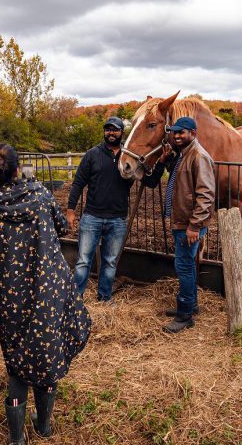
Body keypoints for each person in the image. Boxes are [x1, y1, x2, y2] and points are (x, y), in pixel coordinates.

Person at [0, 144, 91, 445]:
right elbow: (63, 227)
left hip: (13, 301)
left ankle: (16, 439)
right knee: (47, 355)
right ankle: (44, 426)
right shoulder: (41, 197)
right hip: (49, 293)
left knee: (17, 368)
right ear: (16, 170)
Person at [66, 116, 166, 302]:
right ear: (104, 132)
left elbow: (150, 182)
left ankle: (105, 297)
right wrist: (71, 210)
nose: (111, 132)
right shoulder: (92, 155)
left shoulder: (129, 158)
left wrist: (161, 162)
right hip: (91, 217)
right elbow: (78, 183)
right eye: (108, 129)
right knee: (82, 261)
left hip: (117, 220)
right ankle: (75, 299)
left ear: (122, 133)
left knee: (110, 262)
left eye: (115, 129)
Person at [158, 117, 216, 333]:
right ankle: (191, 305)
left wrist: (194, 225)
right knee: (187, 265)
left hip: (188, 225)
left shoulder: (199, 156)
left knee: (184, 267)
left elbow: (206, 194)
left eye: (181, 132)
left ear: (193, 132)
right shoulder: (186, 154)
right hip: (184, 222)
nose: (177, 136)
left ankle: (185, 316)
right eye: (174, 132)